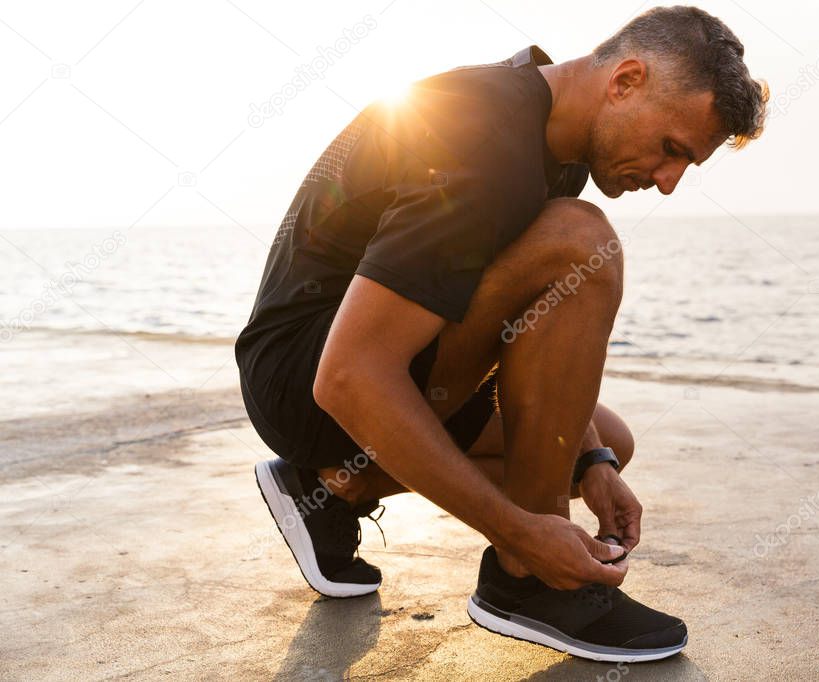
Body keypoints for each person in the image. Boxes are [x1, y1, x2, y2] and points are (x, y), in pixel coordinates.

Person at [236, 5, 766, 662]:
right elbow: (348, 375)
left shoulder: (550, 131)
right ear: (625, 79)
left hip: (354, 367)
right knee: (579, 240)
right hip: (308, 380)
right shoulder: (486, 140)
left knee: (601, 445)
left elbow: (517, 323)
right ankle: (526, 584)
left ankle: (328, 490)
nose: (666, 183)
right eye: (670, 149)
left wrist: (594, 460)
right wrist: (518, 532)